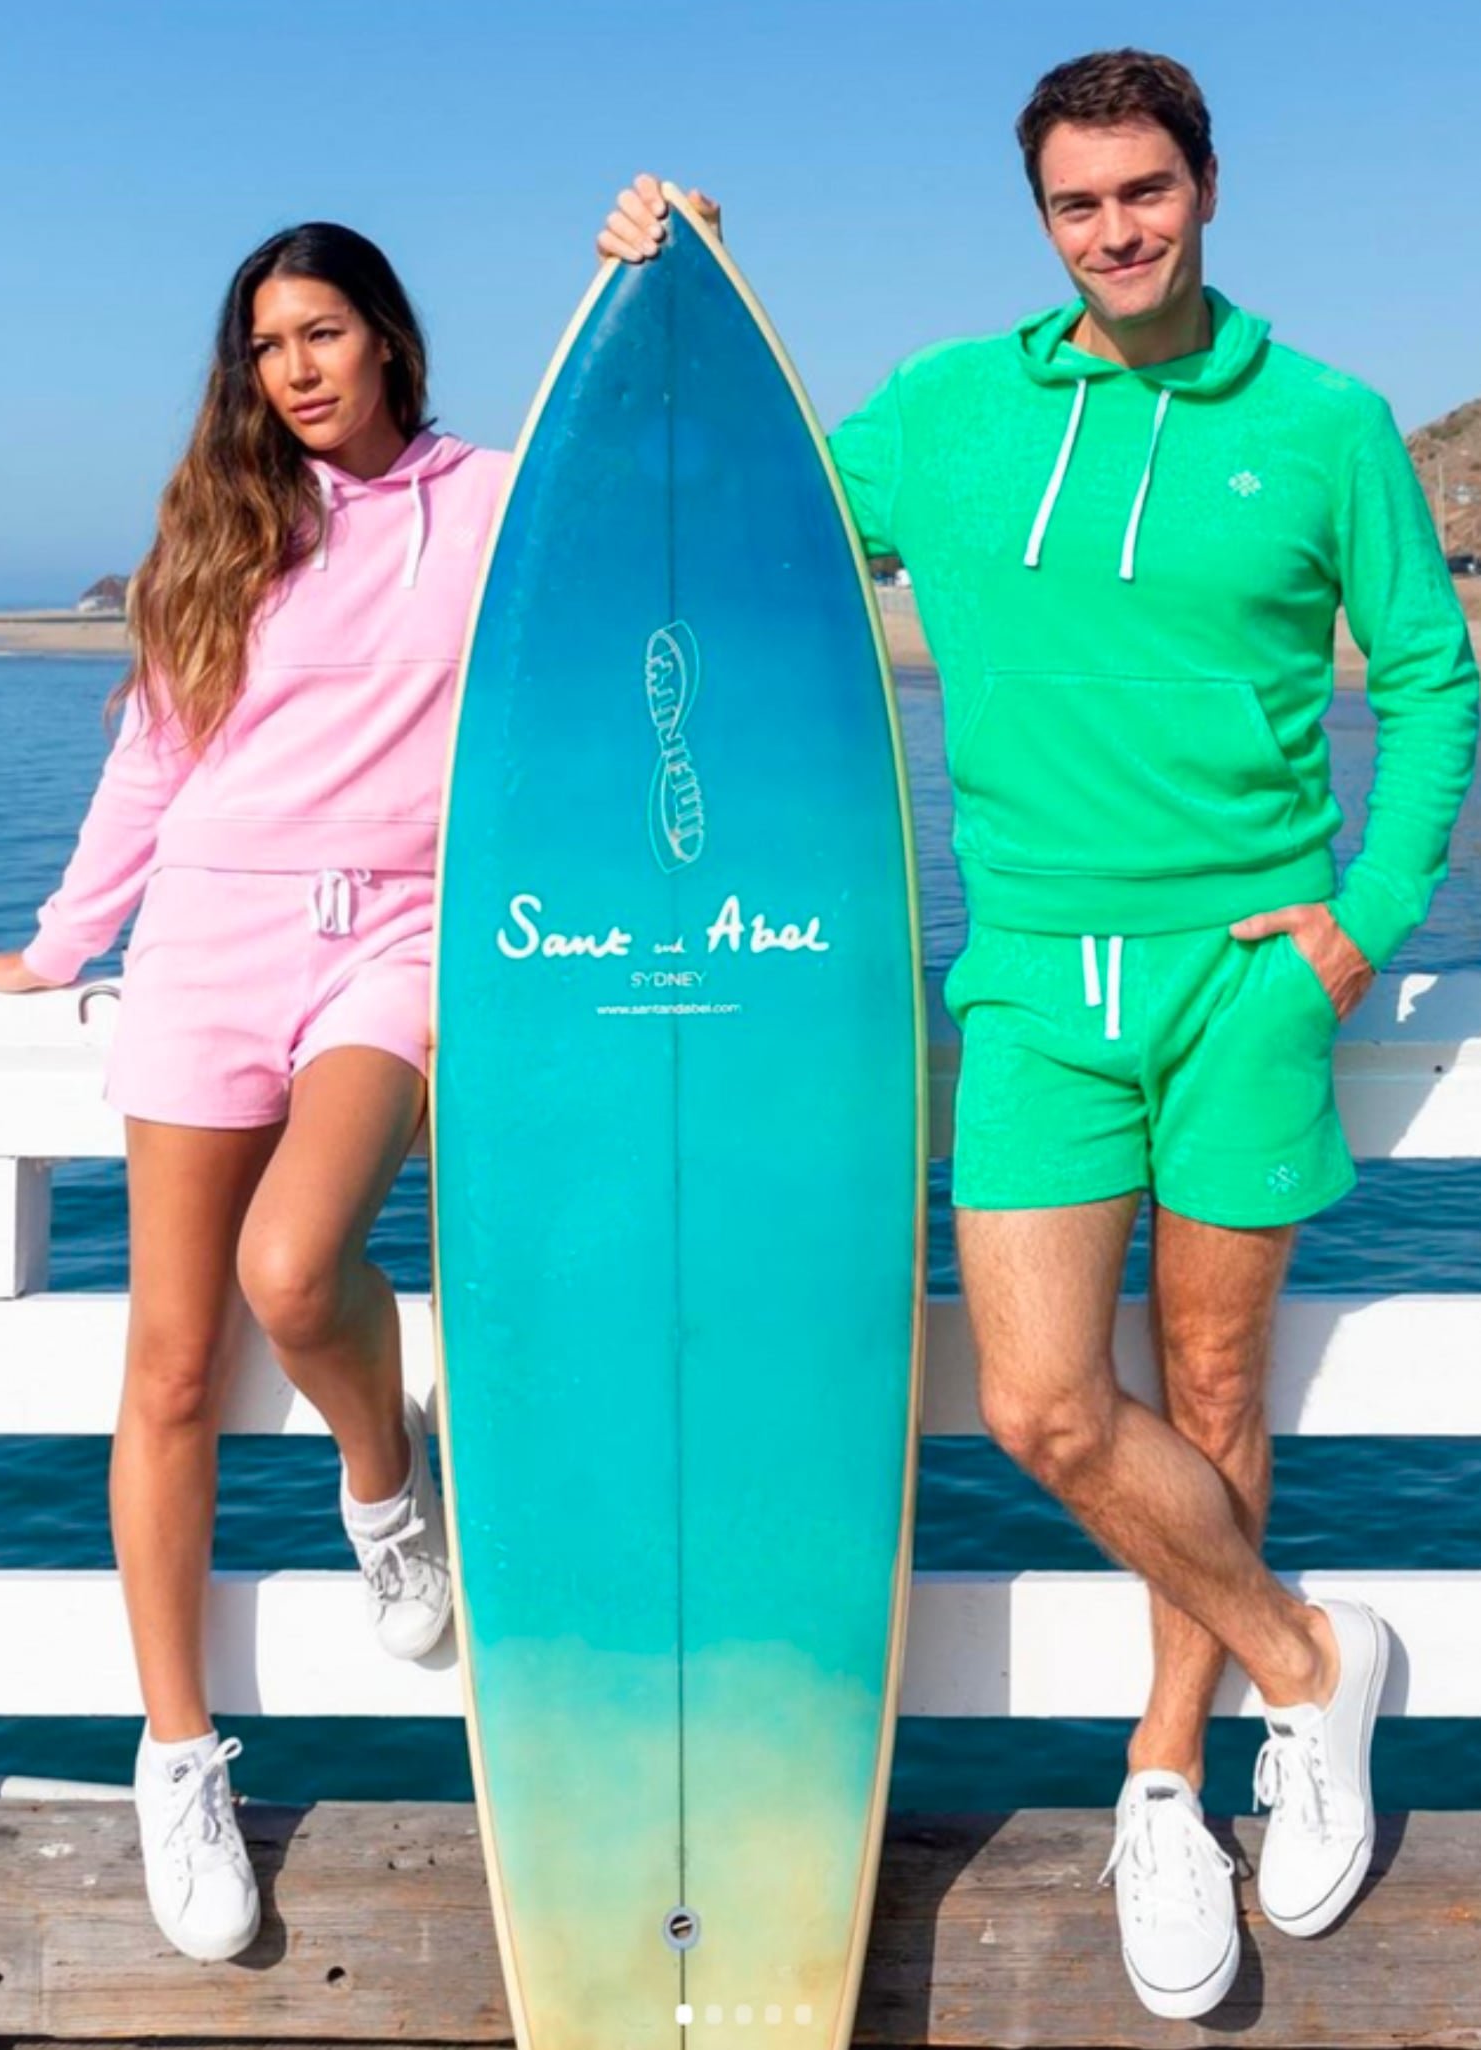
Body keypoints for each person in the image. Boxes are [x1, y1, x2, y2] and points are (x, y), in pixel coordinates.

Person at [599, 46, 1479, 2023]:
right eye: (1080, 203)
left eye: (1145, 191)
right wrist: (689, 289)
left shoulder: (1324, 422)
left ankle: (1163, 1779)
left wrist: (1353, 928)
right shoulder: (951, 411)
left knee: (1212, 1375)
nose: (1117, 230)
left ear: (1206, 183)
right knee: (1042, 1404)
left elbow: (1430, 681)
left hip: (1244, 974)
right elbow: (743, 520)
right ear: (1043, 216)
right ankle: (1314, 1661)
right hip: (1032, 979)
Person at [0, 223, 509, 1962]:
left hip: (397, 945)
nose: (297, 368)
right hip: (205, 944)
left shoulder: (493, 496)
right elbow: (157, 751)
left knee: (296, 1269)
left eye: (326, 332)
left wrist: (676, 264)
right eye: (269, 343)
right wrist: (62, 943)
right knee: (169, 1359)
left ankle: (382, 1480)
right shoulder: (220, 524)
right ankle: (179, 1751)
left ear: (388, 338)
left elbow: (672, 499)